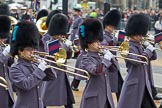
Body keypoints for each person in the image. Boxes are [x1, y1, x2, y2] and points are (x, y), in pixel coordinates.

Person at [9, 21, 56, 108]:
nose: (33, 52)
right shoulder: (15, 68)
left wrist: (46, 66)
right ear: (20, 51)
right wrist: (40, 69)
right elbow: (26, 85)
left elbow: (52, 77)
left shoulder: (34, 65)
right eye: (29, 49)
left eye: (33, 49)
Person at [117, 13, 157, 108]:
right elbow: (138, 61)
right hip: (134, 85)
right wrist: (148, 50)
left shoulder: (140, 45)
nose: (141, 37)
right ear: (133, 34)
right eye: (139, 34)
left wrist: (150, 47)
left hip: (144, 85)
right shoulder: (127, 47)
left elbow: (153, 57)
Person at [79, 18, 117, 108]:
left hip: (106, 96)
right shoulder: (86, 59)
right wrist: (106, 59)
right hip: (94, 98)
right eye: (96, 42)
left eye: (99, 41)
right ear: (89, 43)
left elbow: (114, 69)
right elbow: (97, 71)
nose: (99, 43)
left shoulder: (101, 56)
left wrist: (111, 58)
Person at [42, 13, 75, 108]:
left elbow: (66, 57)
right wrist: (65, 46)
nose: (61, 35)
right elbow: (52, 51)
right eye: (59, 33)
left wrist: (70, 48)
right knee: (45, 96)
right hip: (51, 70)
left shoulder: (60, 39)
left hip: (61, 71)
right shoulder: (47, 37)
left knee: (68, 99)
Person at [101, 9, 123, 101]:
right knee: (107, 90)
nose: (112, 28)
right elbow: (104, 47)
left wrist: (121, 39)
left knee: (120, 89)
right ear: (106, 25)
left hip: (114, 65)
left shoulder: (112, 35)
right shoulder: (102, 36)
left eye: (114, 26)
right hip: (108, 66)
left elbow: (118, 46)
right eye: (111, 26)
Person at [0, 3, 14, 108]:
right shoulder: (46, 38)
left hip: (6, 84)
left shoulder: (3, 44)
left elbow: (8, 64)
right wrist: (5, 54)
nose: (2, 40)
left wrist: (12, 57)